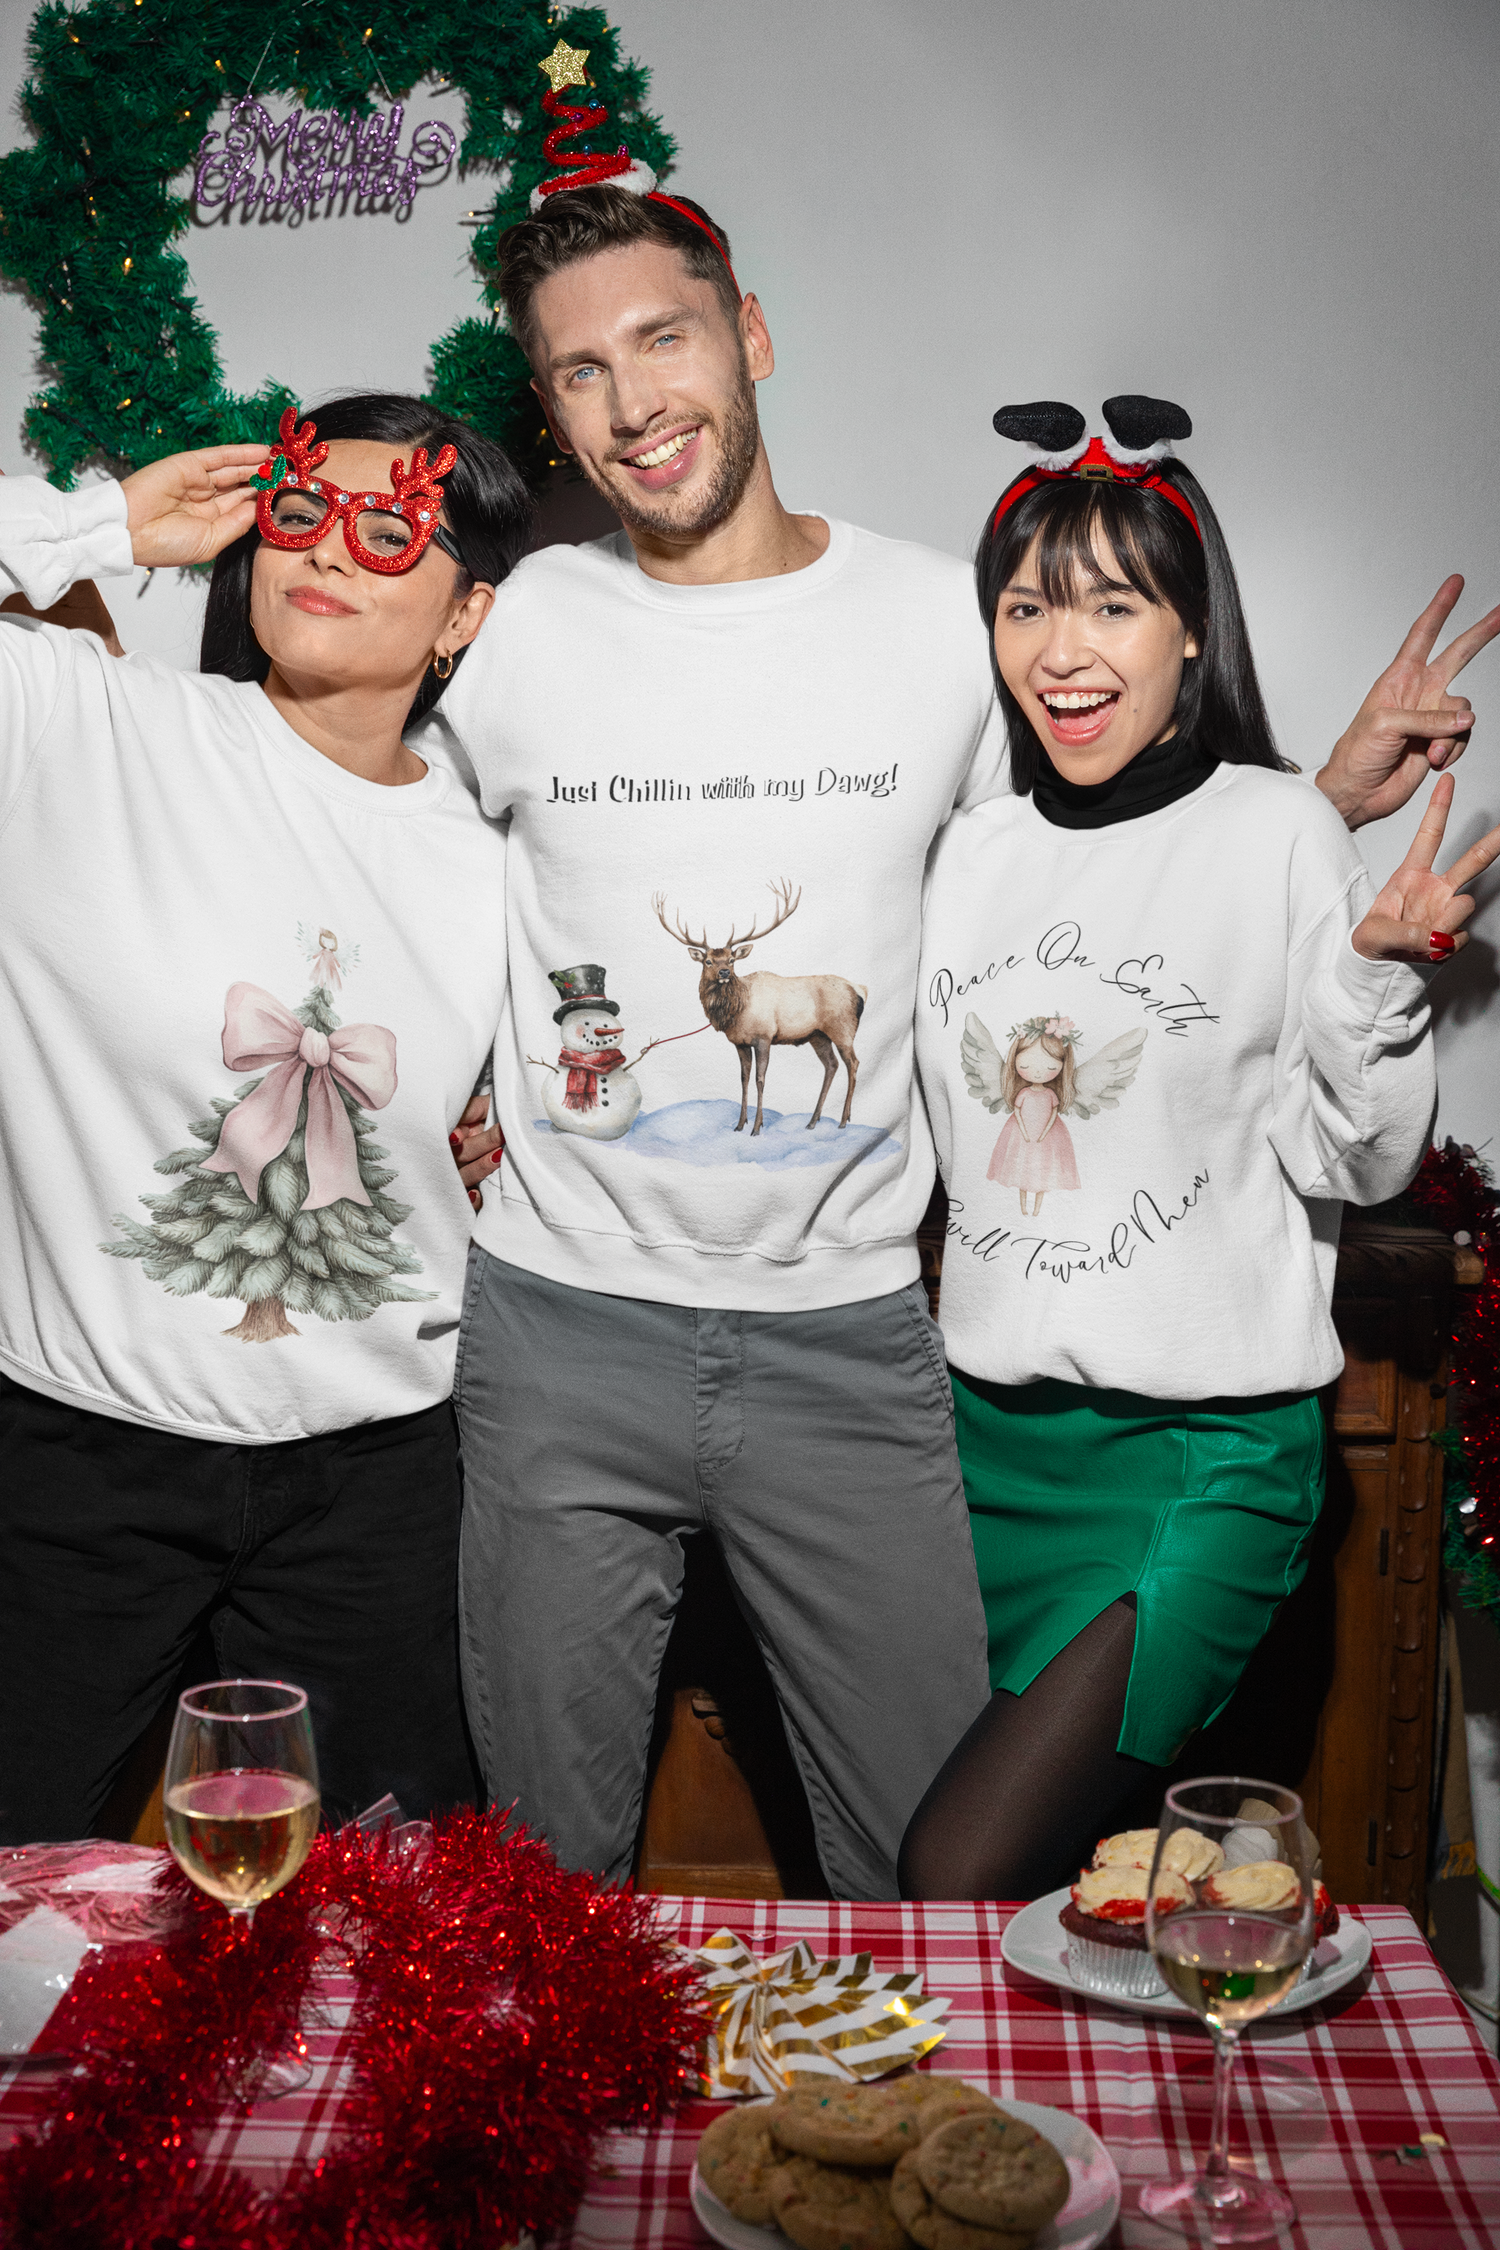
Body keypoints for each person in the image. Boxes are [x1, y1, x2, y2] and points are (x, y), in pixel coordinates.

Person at [436, 139, 1485, 1897]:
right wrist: (444, 1089)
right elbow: (391, 860)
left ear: (750, 335)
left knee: (931, 1891)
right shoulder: (521, 624)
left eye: (665, 338)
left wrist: (1313, 806)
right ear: (548, 409)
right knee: (541, 1886)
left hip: (853, 1344)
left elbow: (1106, 859)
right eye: (580, 370)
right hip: (563, 1329)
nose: (635, 402)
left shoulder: (943, 621)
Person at [897, 397, 1500, 1900]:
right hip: (982, 1452)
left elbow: (1358, 1165)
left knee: (958, 1868)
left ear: (1189, 628)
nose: (1064, 647)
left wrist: (1378, 980)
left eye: (1115, 603)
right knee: (1071, 1898)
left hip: (1199, 1458)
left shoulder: (1282, 833)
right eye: (1026, 606)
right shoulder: (969, 851)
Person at [0, 393, 532, 1842]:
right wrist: (102, 525)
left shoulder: (500, 850)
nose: (327, 549)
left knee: (402, 1916)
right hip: (78, 1463)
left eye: (390, 529)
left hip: (381, 1482)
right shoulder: (81, 727)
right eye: (300, 510)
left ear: (465, 612)